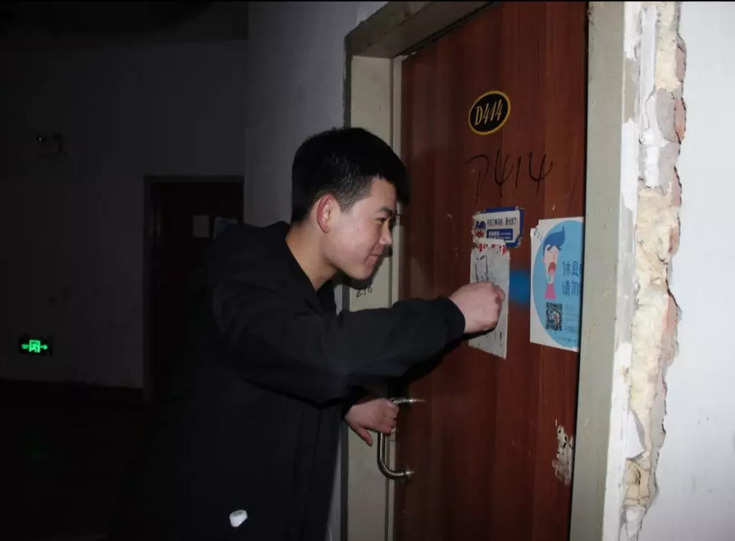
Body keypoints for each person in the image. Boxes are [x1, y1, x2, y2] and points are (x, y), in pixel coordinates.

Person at [109, 127, 504, 541]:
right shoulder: (243, 282)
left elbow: (288, 359)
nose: (387, 240)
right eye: (381, 220)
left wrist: (344, 403)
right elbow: (324, 354)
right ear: (327, 212)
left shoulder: (308, 289)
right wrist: (452, 315)